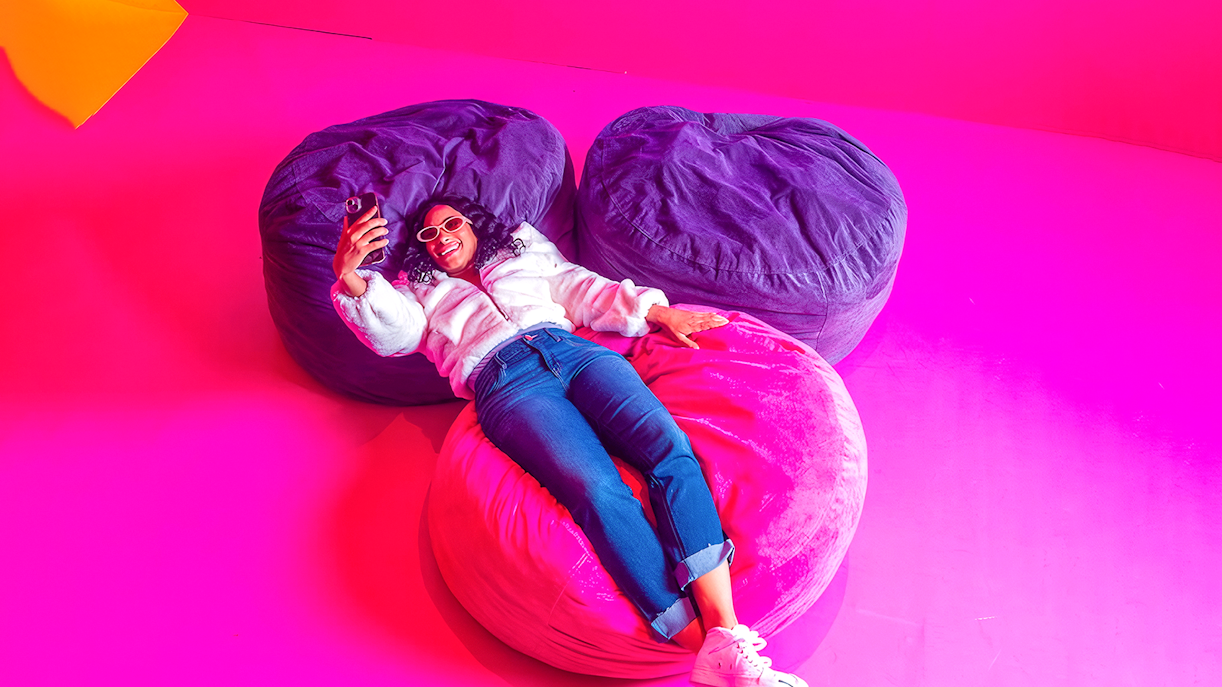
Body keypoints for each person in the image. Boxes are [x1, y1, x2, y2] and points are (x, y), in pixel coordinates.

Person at [331, 195, 806, 687]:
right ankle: (706, 653)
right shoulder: (416, 292)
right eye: (428, 235)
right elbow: (396, 335)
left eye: (451, 223)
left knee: (669, 449)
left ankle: (726, 636)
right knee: (596, 492)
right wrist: (351, 277)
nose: (442, 236)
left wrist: (654, 312)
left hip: (575, 352)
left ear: (474, 225)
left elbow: (578, 287)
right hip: (506, 383)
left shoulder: (520, 251)